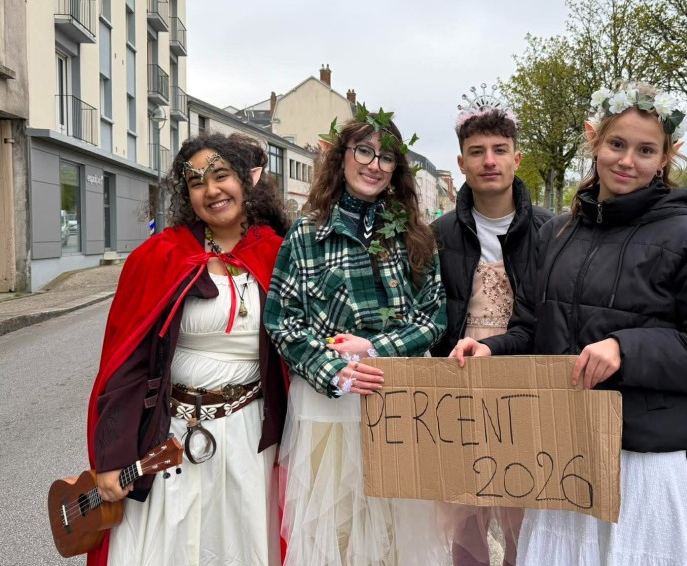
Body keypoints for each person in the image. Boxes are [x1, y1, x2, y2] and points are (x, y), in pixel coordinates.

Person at [452, 81, 687, 566]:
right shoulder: (559, 234)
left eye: (646, 150)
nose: (628, 161)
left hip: (646, 464)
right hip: (570, 454)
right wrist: (492, 350)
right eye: (617, 144)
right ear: (594, 139)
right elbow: (532, 327)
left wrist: (626, 349)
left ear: (668, 155)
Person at [86, 132, 291, 566]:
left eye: (222, 176)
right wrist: (112, 457)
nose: (212, 190)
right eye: (197, 182)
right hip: (171, 434)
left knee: (241, 544)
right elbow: (126, 365)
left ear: (246, 181)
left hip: (250, 435)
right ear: (187, 194)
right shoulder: (159, 256)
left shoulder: (278, 253)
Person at [263, 107, 448, 565]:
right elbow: (282, 322)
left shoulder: (415, 235)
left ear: (396, 170)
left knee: (396, 531)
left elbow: (433, 319)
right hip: (331, 406)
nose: (373, 164)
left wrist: (373, 350)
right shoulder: (307, 234)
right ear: (342, 158)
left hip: (397, 396)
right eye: (363, 151)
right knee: (337, 531)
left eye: (386, 158)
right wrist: (337, 372)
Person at [431, 85, 553, 566]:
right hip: (460, 378)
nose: (489, 161)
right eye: (476, 152)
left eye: (499, 150)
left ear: (517, 158)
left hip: (524, 375)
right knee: (464, 505)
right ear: (460, 163)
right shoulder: (439, 234)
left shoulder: (552, 231)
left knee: (526, 502)